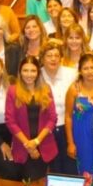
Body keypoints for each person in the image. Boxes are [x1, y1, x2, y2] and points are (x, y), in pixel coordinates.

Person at [5, 56, 58, 180]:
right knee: (28, 185)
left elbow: (52, 119)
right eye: (25, 70)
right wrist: (28, 145)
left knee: (44, 185)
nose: (29, 74)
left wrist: (36, 142)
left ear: (38, 72)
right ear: (20, 72)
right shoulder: (13, 91)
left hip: (45, 145)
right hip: (22, 147)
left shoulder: (46, 89)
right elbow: (10, 121)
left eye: (33, 70)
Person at [66, 53, 93, 186]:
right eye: (85, 68)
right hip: (83, 136)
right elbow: (68, 116)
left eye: (92, 67)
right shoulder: (74, 88)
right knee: (86, 167)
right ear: (80, 70)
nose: (90, 71)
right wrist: (70, 143)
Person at [40, 39, 78, 175]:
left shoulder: (72, 74)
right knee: (54, 168)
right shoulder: (37, 75)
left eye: (56, 55)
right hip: (46, 130)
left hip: (68, 127)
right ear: (42, 58)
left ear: (61, 58)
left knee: (71, 167)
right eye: (49, 55)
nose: (53, 59)